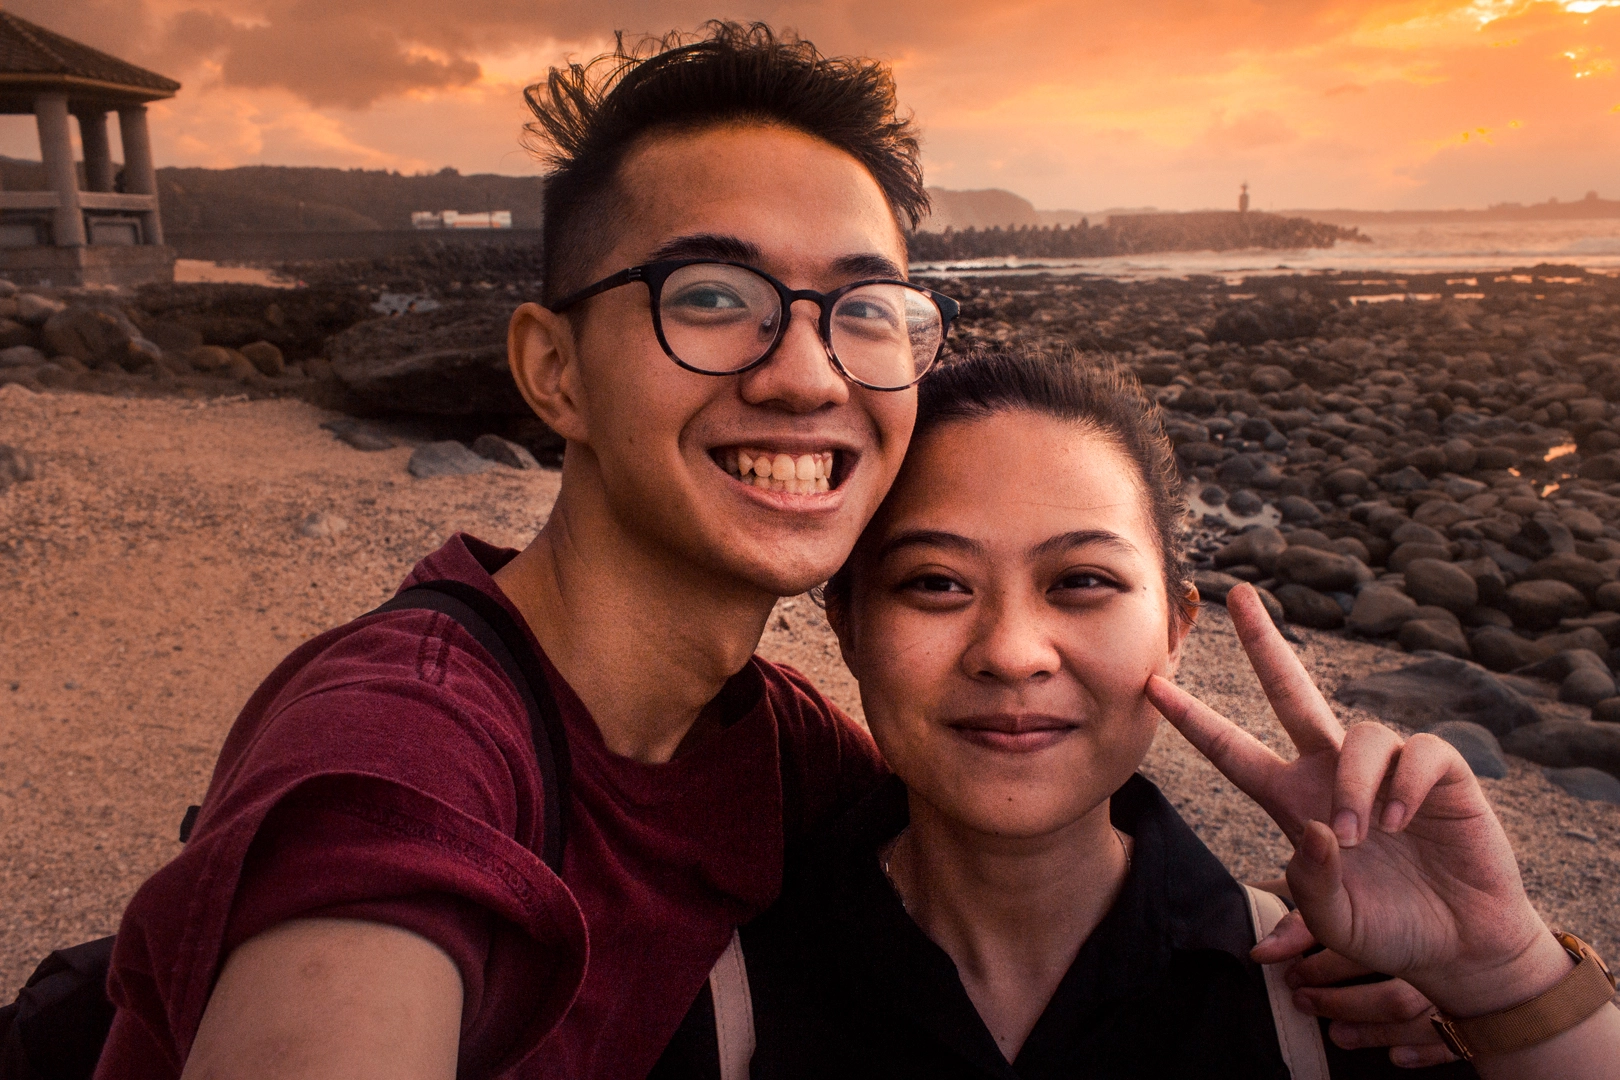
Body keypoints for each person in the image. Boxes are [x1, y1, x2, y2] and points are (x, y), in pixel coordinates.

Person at [97, 23, 961, 1080]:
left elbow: (1020, 887)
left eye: (865, 310)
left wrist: (1218, 918)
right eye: (712, 298)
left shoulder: (781, 754)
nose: (808, 378)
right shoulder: (403, 754)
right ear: (554, 371)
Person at [741, 348, 1620, 1079]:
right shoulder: (722, 995)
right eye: (935, 582)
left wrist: (1502, 972)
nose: (1012, 652)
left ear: (1175, 628)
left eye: (1081, 581)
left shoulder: (1339, 1003)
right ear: (847, 626)